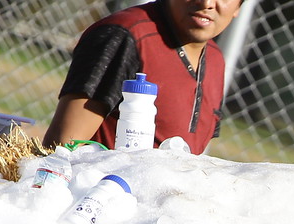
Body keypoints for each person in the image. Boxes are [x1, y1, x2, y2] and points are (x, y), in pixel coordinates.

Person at [42, 0, 242, 152]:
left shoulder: (215, 60)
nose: (206, 3)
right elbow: (62, 149)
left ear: (238, 8)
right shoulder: (125, 35)